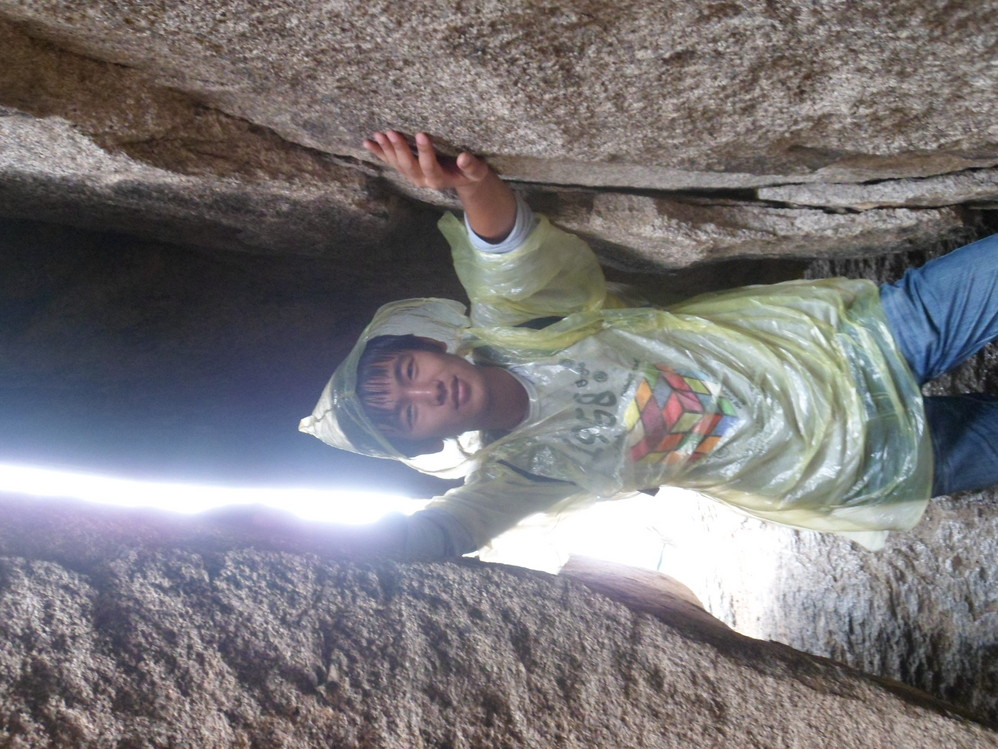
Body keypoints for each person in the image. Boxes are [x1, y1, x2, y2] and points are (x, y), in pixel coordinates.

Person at [298, 129, 998, 560]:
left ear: (430, 345)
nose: (428, 390)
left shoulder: (519, 330)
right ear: (426, 443)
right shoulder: (518, 474)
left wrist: (470, 187)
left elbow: (505, 260)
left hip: (842, 345)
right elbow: (452, 528)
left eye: (410, 369)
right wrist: (335, 548)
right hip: (853, 463)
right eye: (410, 411)